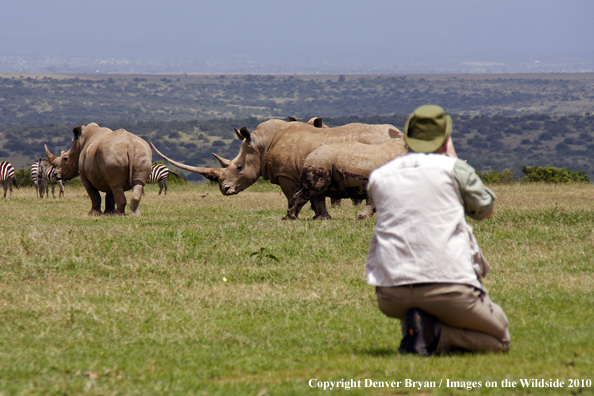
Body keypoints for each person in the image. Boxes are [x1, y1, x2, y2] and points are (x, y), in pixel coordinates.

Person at [366, 105, 510, 356]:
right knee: (500, 338)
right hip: (449, 286)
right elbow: (485, 209)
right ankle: (436, 334)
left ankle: (415, 329)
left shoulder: (379, 176)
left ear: (407, 137)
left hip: (391, 292)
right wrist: (453, 160)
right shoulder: (453, 169)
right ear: (446, 138)